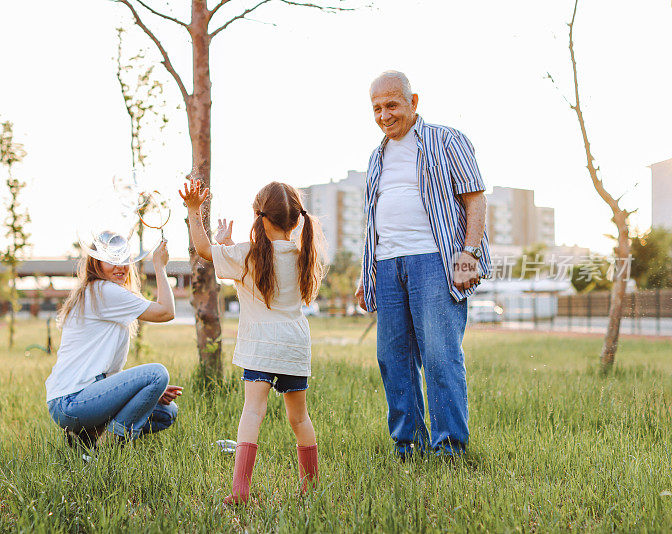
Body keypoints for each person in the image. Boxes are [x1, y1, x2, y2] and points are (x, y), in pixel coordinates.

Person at [355, 71, 491, 458]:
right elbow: (372, 220)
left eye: (392, 105)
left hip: (435, 259)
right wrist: (368, 274)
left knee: (439, 354)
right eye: (377, 108)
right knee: (392, 356)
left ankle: (449, 447)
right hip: (386, 264)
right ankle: (407, 444)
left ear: (414, 102)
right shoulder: (376, 156)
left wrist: (469, 253)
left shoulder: (446, 140)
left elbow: (475, 199)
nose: (384, 115)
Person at [179, 180, 325, 504]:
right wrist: (230, 245)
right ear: (295, 220)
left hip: (261, 347)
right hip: (294, 347)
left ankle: (240, 491)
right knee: (299, 418)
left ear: (259, 216)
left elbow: (205, 251)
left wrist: (193, 210)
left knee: (253, 413)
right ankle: (310, 490)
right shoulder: (304, 253)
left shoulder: (248, 254)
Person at [45, 231, 182, 452]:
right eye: (110, 261)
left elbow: (108, 374)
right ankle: (103, 451)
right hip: (72, 401)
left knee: (167, 412)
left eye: (124, 260)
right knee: (157, 374)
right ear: (96, 263)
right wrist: (160, 267)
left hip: (82, 399)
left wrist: (147, 392)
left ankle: (85, 438)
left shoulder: (105, 292)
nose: (119, 267)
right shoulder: (103, 290)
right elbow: (166, 312)